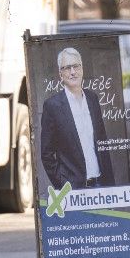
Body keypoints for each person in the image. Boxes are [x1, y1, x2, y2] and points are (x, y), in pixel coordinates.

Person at [40, 47, 115, 190]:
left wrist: (110, 186)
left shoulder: (92, 99)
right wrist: (63, 185)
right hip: (74, 190)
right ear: (60, 73)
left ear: (82, 69)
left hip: (101, 184)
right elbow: (47, 154)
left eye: (76, 66)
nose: (73, 72)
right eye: (67, 68)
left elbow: (102, 144)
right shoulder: (52, 106)